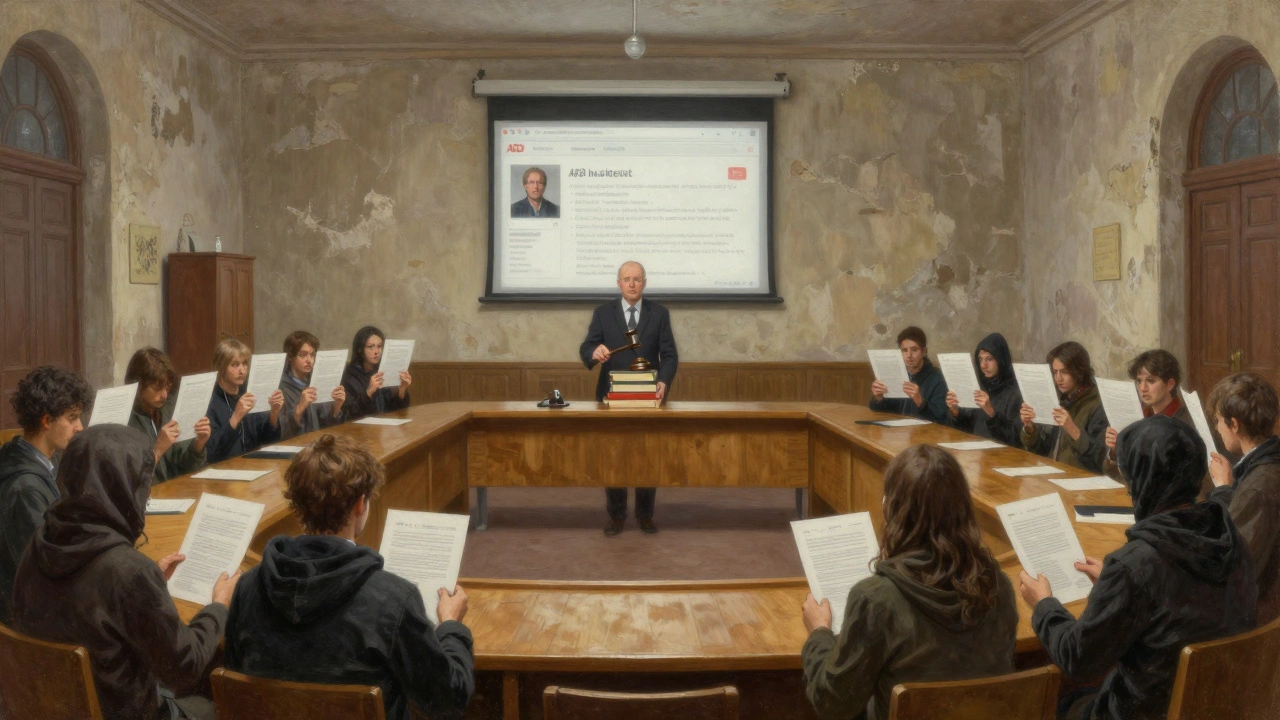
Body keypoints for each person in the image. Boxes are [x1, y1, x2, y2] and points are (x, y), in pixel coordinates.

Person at [1019, 416, 1256, 720]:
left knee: (1050, 702)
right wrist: (1115, 583)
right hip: (1216, 705)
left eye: (1129, 478)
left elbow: (1077, 659)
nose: (1129, 489)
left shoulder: (1134, 565)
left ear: (1144, 481)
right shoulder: (1230, 538)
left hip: (1142, 713)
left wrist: (1044, 605)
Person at [224, 434, 474, 720]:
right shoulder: (394, 599)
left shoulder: (248, 587)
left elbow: (236, 681)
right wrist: (452, 626)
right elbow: (447, 702)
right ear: (360, 504)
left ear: (298, 504)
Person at [12, 425, 239, 720]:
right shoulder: (130, 573)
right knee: (225, 700)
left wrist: (146, 581)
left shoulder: (40, 542)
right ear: (124, 486)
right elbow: (184, 668)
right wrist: (218, 605)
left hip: (55, 708)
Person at [801, 444, 1018, 720]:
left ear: (892, 511)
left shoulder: (875, 600)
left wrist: (819, 633)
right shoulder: (998, 585)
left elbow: (832, 703)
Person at [579, 260, 679, 536]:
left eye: (637, 279)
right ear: (619, 283)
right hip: (612, 397)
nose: (632, 284)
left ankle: (645, 515)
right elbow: (587, 347)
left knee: (647, 455)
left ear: (644, 283)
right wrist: (593, 352)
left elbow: (669, 355)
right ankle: (617, 516)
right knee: (614, 456)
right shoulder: (603, 313)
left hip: (648, 397)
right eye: (627, 279)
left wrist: (663, 381)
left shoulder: (659, 313)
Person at [0, 366, 92, 624]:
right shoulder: (24, 487)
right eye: (72, 418)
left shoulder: (43, 463)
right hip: (30, 618)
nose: (80, 427)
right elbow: (43, 571)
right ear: (47, 420)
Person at [1207, 372, 1280, 624]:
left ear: (1234, 425)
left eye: (1218, 421)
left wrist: (1223, 490)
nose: (1217, 428)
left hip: (1259, 615)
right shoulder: (1268, 462)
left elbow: (1232, 563)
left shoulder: (1259, 486)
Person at [1102, 350, 1204, 481]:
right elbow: (1115, 475)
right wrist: (1115, 450)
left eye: (1150, 381)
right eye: (1139, 381)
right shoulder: (1139, 417)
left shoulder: (1185, 423)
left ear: (1170, 384)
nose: (1143, 388)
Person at [1019, 341, 1110, 473]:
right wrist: (1030, 428)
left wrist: (1073, 430)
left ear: (1079, 372)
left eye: (1064, 372)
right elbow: (1042, 450)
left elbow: (1102, 460)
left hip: (1080, 480)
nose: (1058, 378)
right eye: (1055, 372)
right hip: (1053, 474)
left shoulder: (1097, 403)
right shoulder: (1059, 398)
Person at [124, 347, 211, 481]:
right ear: (139, 385)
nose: (164, 395)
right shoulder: (126, 421)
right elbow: (131, 480)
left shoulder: (167, 410)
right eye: (157, 388)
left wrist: (198, 445)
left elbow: (187, 468)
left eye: (167, 387)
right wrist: (158, 449)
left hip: (177, 489)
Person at [205, 338, 284, 463]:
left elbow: (269, 441)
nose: (242, 370)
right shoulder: (210, 402)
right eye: (235, 365)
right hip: (224, 468)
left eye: (245, 364)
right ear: (221, 367)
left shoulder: (250, 392)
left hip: (253, 464)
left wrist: (274, 413)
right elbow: (211, 452)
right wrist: (236, 417)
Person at [945, 332, 1023, 446]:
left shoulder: (1015, 393)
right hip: (976, 451)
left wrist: (991, 413)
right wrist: (955, 412)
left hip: (1003, 454)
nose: (983, 365)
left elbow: (1015, 440)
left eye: (989, 359)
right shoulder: (980, 387)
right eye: (980, 359)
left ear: (1001, 360)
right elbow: (967, 430)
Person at [870, 326, 951, 425]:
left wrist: (920, 402)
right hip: (896, 431)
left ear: (924, 351)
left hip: (925, 432)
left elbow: (942, 417)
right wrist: (879, 399)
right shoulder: (896, 375)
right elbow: (885, 411)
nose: (909, 355)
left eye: (914, 349)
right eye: (904, 350)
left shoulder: (938, 378)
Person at [278, 330, 347, 440]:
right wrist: (300, 408)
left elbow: (327, 426)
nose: (309, 360)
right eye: (302, 355)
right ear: (291, 358)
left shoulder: (316, 382)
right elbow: (280, 433)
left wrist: (336, 408)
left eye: (312, 355)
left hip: (318, 442)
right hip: (295, 445)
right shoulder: (281, 388)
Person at [341, 326, 413, 421]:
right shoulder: (348, 376)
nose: (377, 352)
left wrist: (402, 390)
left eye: (379, 346)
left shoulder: (383, 371)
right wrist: (369, 392)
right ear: (360, 349)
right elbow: (348, 413)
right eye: (371, 347)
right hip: (359, 428)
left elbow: (394, 411)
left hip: (385, 426)